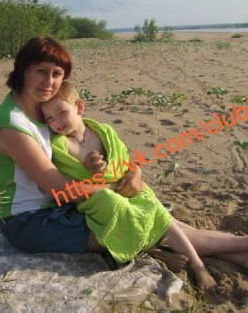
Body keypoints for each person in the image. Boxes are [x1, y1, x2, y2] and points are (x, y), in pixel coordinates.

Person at [0, 36, 248, 290]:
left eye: (57, 74)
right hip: (32, 222)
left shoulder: (41, 109)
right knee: (146, 223)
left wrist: (134, 172)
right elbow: (58, 187)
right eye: (41, 71)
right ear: (23, 70)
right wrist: (116, 187)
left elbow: (107, 152)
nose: (50, 82)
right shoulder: (13, 126)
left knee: (150, 216)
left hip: (61, 210)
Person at [40, 81, 217, 289]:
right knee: (114, 205)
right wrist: (87, 168)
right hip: (96, 198)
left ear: (79, 107)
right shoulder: (59, 146)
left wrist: (134, 173)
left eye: (61, 112)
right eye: (49, 118)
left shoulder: (104, 132)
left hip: (124, 186)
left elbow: (123, 160)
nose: (56, 122)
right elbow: (68, 175)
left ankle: (198, 265)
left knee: (155, 209)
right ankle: (154, 251)